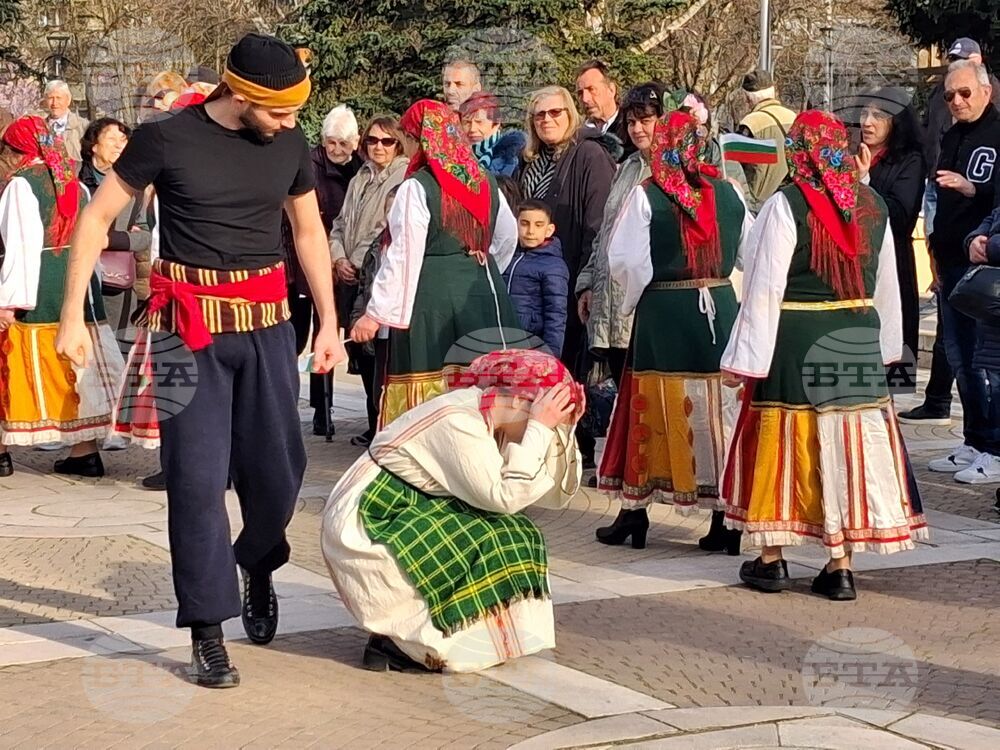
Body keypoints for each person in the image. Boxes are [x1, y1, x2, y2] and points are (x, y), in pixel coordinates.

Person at [56, 33, 347, 689]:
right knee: (194, 483)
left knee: (278, 474)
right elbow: (97, 218)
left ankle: (260, 558)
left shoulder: (291, 146)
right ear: (240, 95)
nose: (289, 124)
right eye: (278, 111)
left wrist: (328, 322)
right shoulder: (166, 137)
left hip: (269, 327)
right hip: (183, 336)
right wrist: (73, 314)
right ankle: (209, 631)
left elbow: (307, 230)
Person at [720, 110, 927, 600]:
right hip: (855, 336)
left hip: (795, 339)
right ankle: (840, 566)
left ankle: (772, 560)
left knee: (788, 444)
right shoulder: (872, 204)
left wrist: (745, 358)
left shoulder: (786, 204)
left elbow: (764, 287)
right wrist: (886, 349)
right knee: (845, 444)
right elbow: (887, 286)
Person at [321, 349, 583, 672]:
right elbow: (505, 496)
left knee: (515, 533)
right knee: (492, 536)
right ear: (517, 401)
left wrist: (551, 428)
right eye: (543, 414)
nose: (548, 430)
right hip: (368, 515)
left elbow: (547, 491)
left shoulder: (482, 417)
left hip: (405, 502)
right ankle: (405, 642)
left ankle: (442, 640)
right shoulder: (461, 421)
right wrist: (539, 429)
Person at [595, 111, 753, 550]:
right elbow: (750, 252)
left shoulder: (648, 195)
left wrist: (634, 300)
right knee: (715, 414)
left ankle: (635, 511)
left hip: (665, 308)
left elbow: (624, 259)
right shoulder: (730, 193)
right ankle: (724, 520)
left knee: (651, 409)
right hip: (718, 310)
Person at [350, 99, 520, 428]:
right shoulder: (485, 181)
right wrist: (479, 262)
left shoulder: (417, 186)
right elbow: (507, 237)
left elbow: (404, 253)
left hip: (430, 301)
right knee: (478, 383)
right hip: (483, 292)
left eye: (409, 139)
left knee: (431, 385)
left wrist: (375, 314)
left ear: (422, 139)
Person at [0, 116, 123, 477]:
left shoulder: (21, 185)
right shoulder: (76, 182)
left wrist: (9, 300)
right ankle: (84, 452)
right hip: (80, 287)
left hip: (37, 289)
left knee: (13, 367)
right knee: (77, 367)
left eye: (7, 150)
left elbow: (21, 247)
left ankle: (2, 451)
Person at [519, 85, 617, 468]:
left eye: (556, 113)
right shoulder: (529, 160)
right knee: (538, 361)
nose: (548, 121)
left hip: (569, 275)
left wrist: (587, 281)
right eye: (540, 115)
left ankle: (577, 448)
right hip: (529, 277)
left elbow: (598, 223)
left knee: (568, 362)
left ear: (571, 114)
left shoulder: (589, 154)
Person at [925, 60, 1000, 483]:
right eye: (950, 95)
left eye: (965, 93)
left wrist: (973, 188)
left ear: (985, 91)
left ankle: (993, 445)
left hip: (985, 264)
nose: (957, 101)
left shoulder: (997, 134)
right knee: (958, 356)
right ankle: (974, 438)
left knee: (984, 359)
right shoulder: (951, 135)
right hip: (951, 260)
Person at [578, 83, 665, 382]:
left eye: (646, 120)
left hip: (646, 308)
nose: (637, 129)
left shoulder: (671, 172)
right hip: (610, 307)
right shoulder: (627, 167)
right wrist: (587, 283)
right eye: (631, 122)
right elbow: (606, 231)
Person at [331, 114, 409, 443]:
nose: (378, 147)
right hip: (350, 274)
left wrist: (358, 261)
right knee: (360, 354)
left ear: (398, 144)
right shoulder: (360, 176)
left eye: (386, 141)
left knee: (379, 355)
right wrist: (337, 257)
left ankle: (382, 423)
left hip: (377, 276)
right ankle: (370, 418)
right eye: (372, 140)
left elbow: (385, 229)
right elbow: (340, 223)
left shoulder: (405, 176)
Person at [287, 104, 362, 436]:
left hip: (343, 262)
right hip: (304, 263)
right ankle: (288, 403)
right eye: (331, 142)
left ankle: (323, 407)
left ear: (354, 142)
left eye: (343, 144)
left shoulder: (360, 169)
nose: (336, 149)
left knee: (330, 333)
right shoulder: (309, 165)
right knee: (295, 336)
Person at [854, 89, 926, 393]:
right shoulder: (852, 153)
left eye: (878, 116)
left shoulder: (909, 161)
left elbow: (900, 214)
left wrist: (865, 182)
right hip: (856, 266)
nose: (868, 122)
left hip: (893, 263)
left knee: (892, 357)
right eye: (864, 114)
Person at [78, 117, 152, 333]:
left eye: (123, 139)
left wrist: (110, 239)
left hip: (114, 281)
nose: (120, 144)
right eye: (112, 139)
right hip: (76, 274)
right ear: (93, 145)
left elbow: (145, 235)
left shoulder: (134, 187)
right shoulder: (74, 181)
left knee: (115, 349)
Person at [502, 199, 569, 356]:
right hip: (500, 338)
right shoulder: (506, 256)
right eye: (524, 224)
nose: (530, 231)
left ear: (549, 229)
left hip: (531, 344)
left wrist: (551, 358)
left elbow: (556, 316)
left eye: (538, 225)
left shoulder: (553, 266)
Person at [737, 68, 796, 212]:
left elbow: (739, 168)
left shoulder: (750, 123)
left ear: (748, 98)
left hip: (758, 203)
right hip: (788, 198)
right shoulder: (794, 118)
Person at [459, 92, 526, 177]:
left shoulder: (514, 156)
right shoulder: (453, 157)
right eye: (467, 122)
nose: (472, 129)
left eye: (479, 122)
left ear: (496, 124)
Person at [40, 80, 88, 163]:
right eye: (51, 98)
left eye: (59, 98)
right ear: (45, 101)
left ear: (68, 100)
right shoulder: (39, 127)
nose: (54, 103)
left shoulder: (83, 126)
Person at [576, 60, 619, 135]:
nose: (585, 99)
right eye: (580, 93)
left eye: (591, 89)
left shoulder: (633, 129)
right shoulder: (576, 136)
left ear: (611, 90)